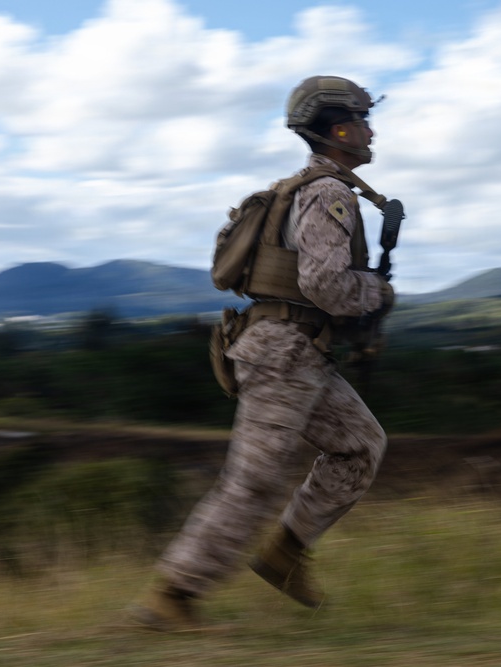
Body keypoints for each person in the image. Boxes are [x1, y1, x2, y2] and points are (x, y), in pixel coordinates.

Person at [130, 75, 396, 631]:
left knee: (360, 447)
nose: (371, 131)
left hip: (297, 353)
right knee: (255, 481)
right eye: (362, 119)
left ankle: (286, 552)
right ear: (337, 127)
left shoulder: (308, 188)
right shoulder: (329, 194)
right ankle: (174, 595)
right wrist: (377, 292)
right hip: (285, 355)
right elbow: (325, 284)